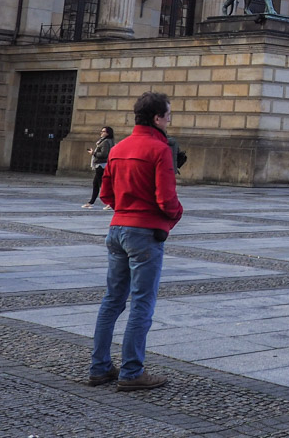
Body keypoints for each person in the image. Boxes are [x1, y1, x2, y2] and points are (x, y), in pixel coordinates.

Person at [88, 92, 183, 391]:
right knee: (142, 302)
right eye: (168, 115)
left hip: (116, 229)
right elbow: (167, 199)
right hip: (145, 233)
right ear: (157, 117)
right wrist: (173, 218)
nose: (169, 120)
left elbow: (106, 195)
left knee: (112, 301)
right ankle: (131, 372)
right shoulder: (160, 149)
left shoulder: (118, 148)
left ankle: (100, 367)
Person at [83, 126, 115, 209]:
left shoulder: (105, 142)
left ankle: (110, 202)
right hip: (102, 164)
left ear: (108, 133)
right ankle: (91, 202)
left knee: (102, 185)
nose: (101, 132)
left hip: (101, 165)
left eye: (103, 131)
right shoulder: (108, 141)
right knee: (96, 184)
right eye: (101, 131)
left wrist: (93, 153)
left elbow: (104, 154)